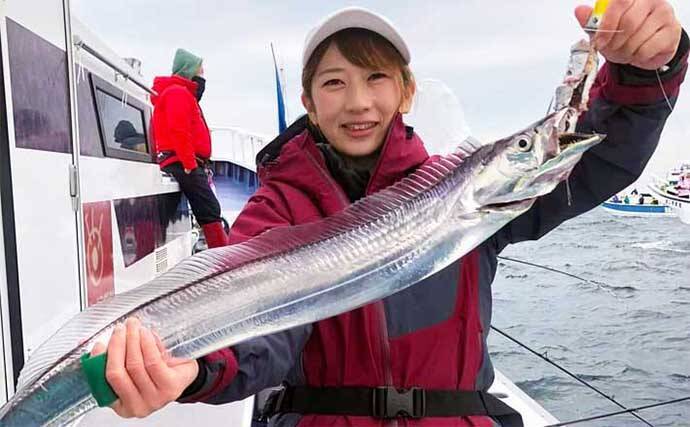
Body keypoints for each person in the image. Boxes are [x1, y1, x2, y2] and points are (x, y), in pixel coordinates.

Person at [92, 2, 688, 426]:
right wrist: (193, 369)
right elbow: (260, 334)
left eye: (376, 77)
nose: (358, 101)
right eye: (334, 82)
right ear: (309, 102)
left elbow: (594, 158)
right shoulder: (279, 209)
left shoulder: (465, 190)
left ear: (405, 92)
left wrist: (645, 72)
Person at [151, 48, 228, 248]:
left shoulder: (180, 94)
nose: (203, 76)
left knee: (207, 207)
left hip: (182, 160)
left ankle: (219, 251)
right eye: (200, 71)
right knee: (209, 208)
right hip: (181, 161)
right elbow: (179, 130)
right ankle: (223, 256)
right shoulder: (178, 93)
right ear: (189, 71)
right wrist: (189, 164)